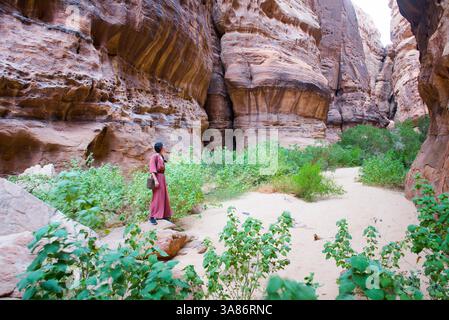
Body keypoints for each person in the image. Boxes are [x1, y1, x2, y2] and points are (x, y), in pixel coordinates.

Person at [149, 142, 173, 225]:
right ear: (161, 148)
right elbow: (152, 169)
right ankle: (152, 217)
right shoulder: (154, 156)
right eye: (163, 146)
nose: (164, 147)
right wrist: (155, 180)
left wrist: (163, 180)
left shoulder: (161, 156)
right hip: (157, 178)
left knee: (164, 197)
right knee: (156, 197)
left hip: (162, 178)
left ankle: (164, 216)